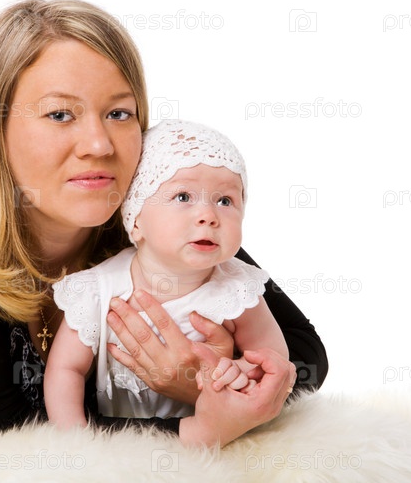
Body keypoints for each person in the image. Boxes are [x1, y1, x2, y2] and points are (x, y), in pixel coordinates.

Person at [0, 0, 328, 447]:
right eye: (60, 114)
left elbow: (304, 356)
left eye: (119, 113)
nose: (100, 145)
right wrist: (200, 422)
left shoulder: (140, 189)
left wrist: (199, 382)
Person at [45, 119, 289, 428]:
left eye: (225, 201)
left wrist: (240, 372)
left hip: (215, 437)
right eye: (183, 197)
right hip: (121, 438)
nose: (208, 216)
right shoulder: (99, 289)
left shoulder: (236, 289)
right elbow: (66, 370)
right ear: (136, 220)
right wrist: (74, 438)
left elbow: (273, 361)